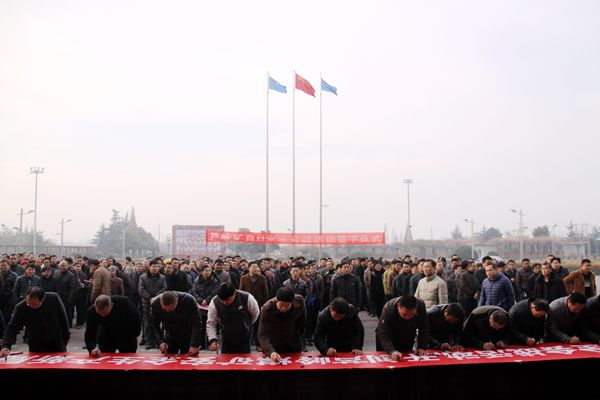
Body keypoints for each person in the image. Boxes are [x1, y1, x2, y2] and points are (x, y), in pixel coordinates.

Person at [0, 287, 70, 356]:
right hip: (36, 345)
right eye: (29, 304)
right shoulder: (21, 307)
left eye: (34, 305)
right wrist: (6, 346)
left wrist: (65, 340)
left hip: (56, 342)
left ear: (42, 299)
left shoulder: (53, 298)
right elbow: (12, 327)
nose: (31, 306)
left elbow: (63, 320)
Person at [206, 282, 260, 354]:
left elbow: (255, 313)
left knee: (245, 360)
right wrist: (213, 340)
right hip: (226, 340)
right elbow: (211, 323)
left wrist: (246, 324)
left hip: (244, 339)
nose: (225, 302)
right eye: (222, 300)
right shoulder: (214, 302)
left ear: (234, 293)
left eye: (228, 300)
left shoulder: (247, 298)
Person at [258, 287, 306, 362]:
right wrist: (271, 352)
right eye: (281, 305)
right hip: (274, 343)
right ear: (276, 300)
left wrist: (299, 339)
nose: (283, 308)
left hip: (293, 343)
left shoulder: (299, 302)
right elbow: (262, 334)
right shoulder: (267, 309)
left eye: (287, 306)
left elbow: (302, 323)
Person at [375, 294, 429, 361]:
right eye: (405, 314)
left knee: (406, 361)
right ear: (398, 306)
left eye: (412, 314)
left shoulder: (420, 306)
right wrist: (391, 351)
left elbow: (424, 327)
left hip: (408, 334)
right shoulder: (388, 308)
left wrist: (421, 346)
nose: (408, 317)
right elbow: (383, 333)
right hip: (389, 338)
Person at [150, 291, 201, 356]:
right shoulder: (156, 304)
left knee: (190, 358)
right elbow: (154, 324)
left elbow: (197, 323)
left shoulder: (189, 300)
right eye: (164, 309)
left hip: (188, 335)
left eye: (170, 309)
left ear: (176, 302)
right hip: (170, 335)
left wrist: (194, 344)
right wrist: (160, 342)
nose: (167, 311)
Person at [138, 259, 167, 349]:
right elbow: (141, 289)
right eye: (153, 266)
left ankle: (157, 341)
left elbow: (164, 288)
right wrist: (150, 298)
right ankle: (148, 341)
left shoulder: (162, 277)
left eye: (157, 266)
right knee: (147, 322)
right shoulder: (143, 277)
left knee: (157, 322)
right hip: (146, 302)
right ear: (149, 267)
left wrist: (156, 297)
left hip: (158, 302)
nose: (155, 268)